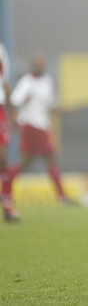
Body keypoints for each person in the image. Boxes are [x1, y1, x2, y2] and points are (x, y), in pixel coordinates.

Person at [3, 54, 71, 207]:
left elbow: (51, 105)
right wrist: (15, 117)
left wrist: (65, 110)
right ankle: (62, 196)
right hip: (31, 126)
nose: (41, 67)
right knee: (48, 158)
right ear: (33, 66)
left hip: (42, 126)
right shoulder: (27, 82)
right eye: (38, 64)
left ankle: (6, 191)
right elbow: (14, 101)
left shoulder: (47, 82)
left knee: (27, 163)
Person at [0, 42, 19, 222]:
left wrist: (12, 113)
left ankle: (7, 206)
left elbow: (4, 82)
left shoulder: (1, 50)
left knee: (3, 159)